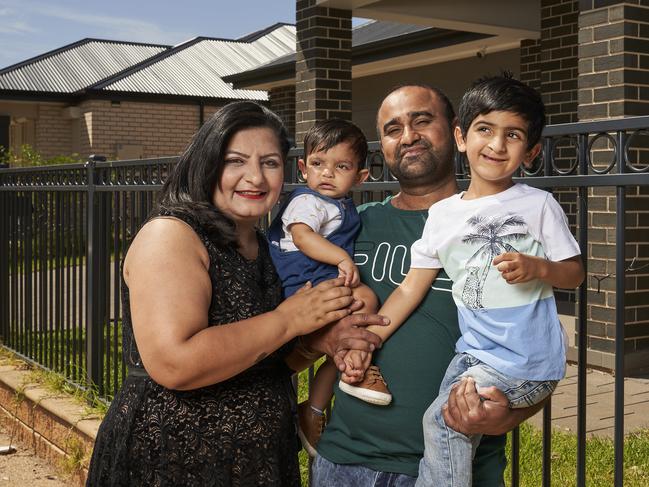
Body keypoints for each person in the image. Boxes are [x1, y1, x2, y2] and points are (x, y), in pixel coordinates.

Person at [85, 101, 387, 487]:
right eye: (236, 161)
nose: (255, 177)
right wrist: (289, 318)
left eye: (270, 163)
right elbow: (175, 362)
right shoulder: (173, 235)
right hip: (174, 461)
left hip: (261, 462)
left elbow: (265, 362)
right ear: (208, 163)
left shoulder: (265, 247)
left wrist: (323, 343)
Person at [339, 76, 585, 486]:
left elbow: (574, 273)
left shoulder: (538, 204)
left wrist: (539, 268)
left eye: (514, 135)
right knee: (449, 423)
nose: (497, 144)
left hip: (519, 362)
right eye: (485, 130)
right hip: (470, 357)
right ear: (462, 137)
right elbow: (409, 288)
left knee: (442, 422)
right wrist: (372, 337)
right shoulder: (442, 216)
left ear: (532, 151)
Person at [267, 119, 383, 457]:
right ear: (303, 168)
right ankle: (356, 363)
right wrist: (343, 259)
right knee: (365, 299)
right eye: (318, 164)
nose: (327, 174)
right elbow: (303, 236)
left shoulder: (338, 205)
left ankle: (314, 409)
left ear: (360, 177)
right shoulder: (308, 201)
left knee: (346, 344)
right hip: (303, 281)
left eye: (341, 166)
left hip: (317, 277)